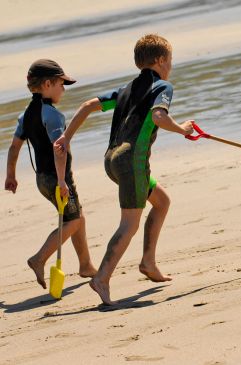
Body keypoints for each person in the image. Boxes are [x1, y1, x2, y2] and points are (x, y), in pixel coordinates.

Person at [55, 34, 194, 305]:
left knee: (162, 202)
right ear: (161, 60)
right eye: (171, 60)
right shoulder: (162, 85)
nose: (171, 65)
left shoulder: (127, 88)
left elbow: (88, 105)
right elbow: (158, 116)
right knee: (129, 224)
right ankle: (102, 277)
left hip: (111, 159)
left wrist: (67, 137)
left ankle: (148, 263)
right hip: (132, 161)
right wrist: (182, 130)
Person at [4, 59, 97, 289]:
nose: (63, 89)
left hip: (41, 179)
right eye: (61, 84)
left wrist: (10, 175)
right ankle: (39, 259)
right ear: (47, 84)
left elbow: (14, 147)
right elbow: (60, 150)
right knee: (73, 220)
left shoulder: (25, 115)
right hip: (57, 178)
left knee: (76, 217)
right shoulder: (53, 115)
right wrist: (63, 180)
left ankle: (85, 264)